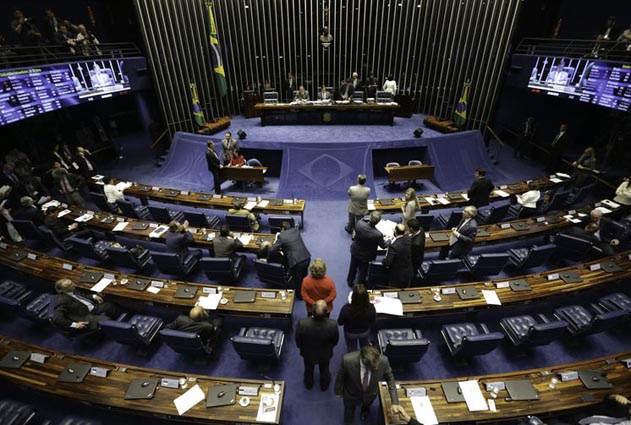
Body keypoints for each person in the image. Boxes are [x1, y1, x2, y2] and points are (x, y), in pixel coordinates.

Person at [334, 345, 401, 424]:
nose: (375, 368)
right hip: (351, 394)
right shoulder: (348, 360)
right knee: (349, 413)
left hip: (370, 394)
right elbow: (340, 376)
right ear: (362, 359)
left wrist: (395, 402)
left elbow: (390, 379)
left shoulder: (383, 361)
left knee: (366, 406)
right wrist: (338, 391)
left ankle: (364, 410)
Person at [295, 300, 339, 390]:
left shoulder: (302, 323)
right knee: (324, 370)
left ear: (312, 310)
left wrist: (301, 347)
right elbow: (335, 341)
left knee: (308, 369)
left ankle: (309, 384)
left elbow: (298, 339)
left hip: (308, 353)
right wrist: (329, 348)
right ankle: (324, 385)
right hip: (325, 353)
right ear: (327, 312)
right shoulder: (332, 325)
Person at [52, 278, 120, 333]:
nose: (73, 284)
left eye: (72, 283)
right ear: (62, 290)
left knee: (110, 305)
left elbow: (82, 297)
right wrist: (74, 324)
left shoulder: (72, 290)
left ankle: (115, 323)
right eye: (69, 285)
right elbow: (56, 318)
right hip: (84, 316)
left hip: (92, 308)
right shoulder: (62, 300)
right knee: (106, 320)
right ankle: (115, 331)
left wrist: (93, 296)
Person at [270, 221, 311, 299]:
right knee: (304, 276)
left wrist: (268, 260)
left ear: (282, 229)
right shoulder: (296, 231)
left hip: (296, 262)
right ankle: (306, 288)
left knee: (297, 281)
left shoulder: (281, 236)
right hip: (306, 257)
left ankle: (300, 296)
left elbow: (272, 250)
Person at [347, 212, 389, 287]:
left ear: (370, 217)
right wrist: (389, 241)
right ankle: (361, 285)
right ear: (378, 222)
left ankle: (350, 281)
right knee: (363, 271)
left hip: (355, 250)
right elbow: (383, 246)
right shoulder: (378, 234)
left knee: (353, 267)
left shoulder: (359, 223)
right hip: (366, 255)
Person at [337, 284, 376, 352]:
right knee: (365, 350)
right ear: (366, 297)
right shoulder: (371, 308)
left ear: (353, 297)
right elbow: (373, 321)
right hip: (364, 332)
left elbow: (340, 322)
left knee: (352, 350)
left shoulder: (346, 309)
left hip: (350, 333)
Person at [382, 223, 413, 288]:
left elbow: (387, 263)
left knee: (394, 290)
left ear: (395, 232)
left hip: (397, 276)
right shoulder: (409, 240)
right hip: (408, 272)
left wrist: (383, 260)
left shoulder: (393, 246)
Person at [408, 218, 425, 283]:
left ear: (411, 229)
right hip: (419, 254)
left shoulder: (416, 244)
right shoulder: (421, 229)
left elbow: (412, 256)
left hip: (415, 261)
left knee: (412, 274)